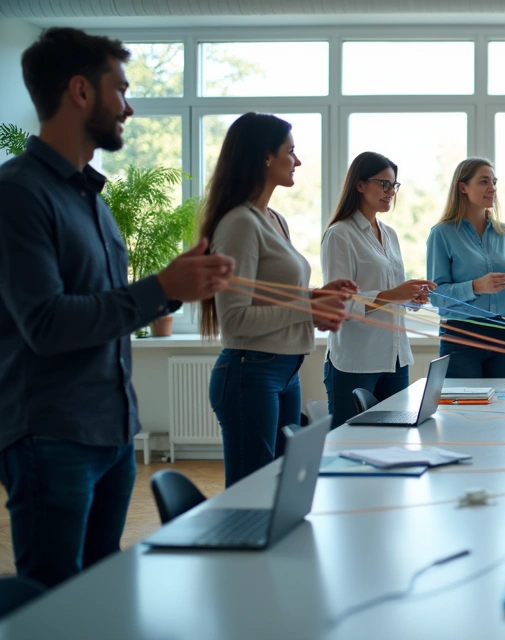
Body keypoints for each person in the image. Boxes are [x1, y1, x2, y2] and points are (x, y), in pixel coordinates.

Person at [0, 27, 233, 587]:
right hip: (52, 434)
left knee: (100, 591)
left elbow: (104, 307)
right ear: (81, 91)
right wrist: (160, 287)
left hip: (112, 431)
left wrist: (175, 287)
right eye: (121, 90)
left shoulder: (92, 198)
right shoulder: (18, 192)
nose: (128, 108)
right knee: (54, 602)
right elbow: (46, 324)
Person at [200, 112, 354, 487]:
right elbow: (235, 320)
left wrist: (317, 297)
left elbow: (274, 297)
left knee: (281, 488)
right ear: (266, 157)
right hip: (250, 372)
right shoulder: (240, 223)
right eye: (291, 151)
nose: (297, 161)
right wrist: (308, 307)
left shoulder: (274, 219)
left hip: (285, 372)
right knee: (252, 494)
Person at [321, 152, 434, 427]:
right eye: (384, 184)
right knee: (352, 444)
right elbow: (341, 304)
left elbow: (393, 293)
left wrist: (412, 297)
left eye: (394, 185)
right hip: (356, 362)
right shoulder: (339, 234)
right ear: (360, 185)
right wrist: (395, 294)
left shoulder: (390, 234)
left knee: (395, 439)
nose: (391, 192)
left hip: (395, 359)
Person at [426, 158, 505, 378]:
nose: (492, 188)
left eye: (494, 182)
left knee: (503, 401)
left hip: (504, 335)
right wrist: (475, 286)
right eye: (484, 182)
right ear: (463, 187)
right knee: (467, 401)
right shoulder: (442, 234)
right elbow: (436, 296)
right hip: (461, 338)